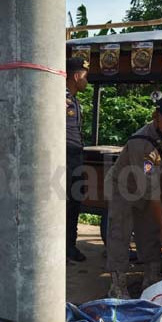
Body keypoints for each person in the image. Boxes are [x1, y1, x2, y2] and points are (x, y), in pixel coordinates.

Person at [105, 96, 162, 298]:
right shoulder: (142, 144)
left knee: (149, 231)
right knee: (120, 233)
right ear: (156, 117)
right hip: (124, 188)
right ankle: (118, 284)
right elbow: (152, 192)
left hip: (149, 186)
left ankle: (151, 276)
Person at [65, 56, 89, 263]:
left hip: (75, 157)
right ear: (75, 75)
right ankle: (62, 248)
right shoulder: (59, 99)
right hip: (63, 158)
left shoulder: (73, 99)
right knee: (63, 204)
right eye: (84, 75)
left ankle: (69, 246)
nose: (86, 80)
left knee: (74, 204)